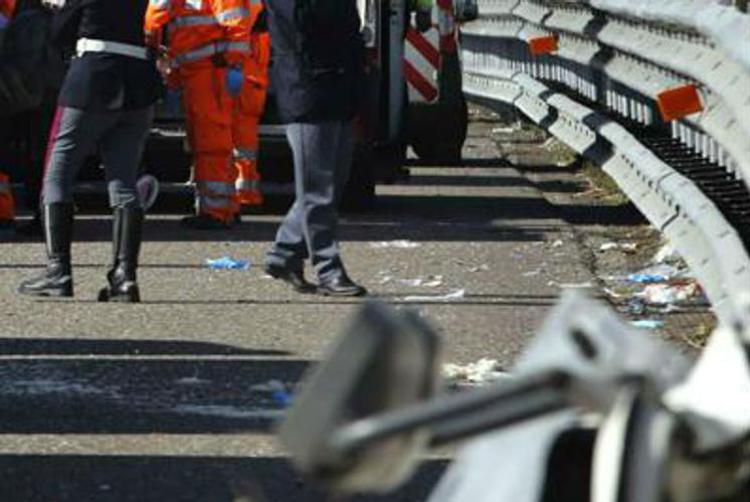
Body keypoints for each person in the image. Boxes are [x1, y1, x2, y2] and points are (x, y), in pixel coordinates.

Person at [17, 0, 162, 302]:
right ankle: (125, 277)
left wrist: (58, 9)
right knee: (124, 179)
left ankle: (58, 270)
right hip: (138, 79)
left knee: (58, 172)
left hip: (94, 75)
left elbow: (58, 33)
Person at [263, 0, 367, 297]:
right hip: (307, 89)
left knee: (332, 181)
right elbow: (307, 21)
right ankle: (328, 268)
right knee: (318, 188)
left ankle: (283, 255)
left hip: (339, 88)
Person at [145, 0, 252, 230]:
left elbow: (236, 24)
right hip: (199, 72)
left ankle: (216, 211)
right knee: (208, 140)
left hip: (210, 72)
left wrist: (234, 64)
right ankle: (224, 207)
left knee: (211, 142)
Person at [0, 0, 65, 237]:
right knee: (43, 159)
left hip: (33, 98)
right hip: (41, 96)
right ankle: (45, 217)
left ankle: (44, 217)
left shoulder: (29, 19)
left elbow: (23, 68)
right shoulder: (35, 16)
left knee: (39, 159)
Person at [233, 4, 269, 209]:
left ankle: (239, 195)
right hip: (251, 79)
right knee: (243, 142)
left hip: (242, 75)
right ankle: (243, 192)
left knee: (232, 140)